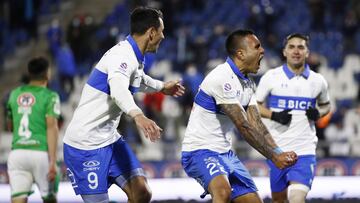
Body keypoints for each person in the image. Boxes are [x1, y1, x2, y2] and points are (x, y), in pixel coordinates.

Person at [63, 7, 185, 203]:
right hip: (85, 146)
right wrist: (139, 116)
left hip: (110, 140)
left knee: (142, 193)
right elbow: (119, 89)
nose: (163, 36)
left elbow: (139, 79)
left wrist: (162, 87)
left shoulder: (133, 56)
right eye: (161, 30)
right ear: (151, 32)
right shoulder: (123, 56)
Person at [181, 29, 298, 203]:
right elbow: (243, 126)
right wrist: (274, 157)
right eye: (257, 47)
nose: (262, 51)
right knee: (222, 193)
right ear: (241, 54)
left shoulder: (247, 83)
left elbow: (256, 123)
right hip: (199, 152)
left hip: (226, 154)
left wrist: (279, 153)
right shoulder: (222, 78)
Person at [256, 33, 331, 203]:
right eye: (291, 47)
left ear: (307, 52)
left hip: (304, 152)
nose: (296, 51)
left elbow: (327, 105)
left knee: (297, 199)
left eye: (300, 47)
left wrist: (318, 113)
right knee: (279, 201)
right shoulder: (271, 77)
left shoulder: (318, 81)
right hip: (276, 152)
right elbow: (254, 105)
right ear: (284, 52)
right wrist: (274, 115)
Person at [6, 56, 60, 203]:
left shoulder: (14, 94)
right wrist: (53, 161)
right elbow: (52, 128)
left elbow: (10, 126)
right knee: (50, 199)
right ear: (47, 74)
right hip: (40, 153)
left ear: (29, 73)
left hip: (17, 153)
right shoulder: (50, 96)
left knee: (18, 199)